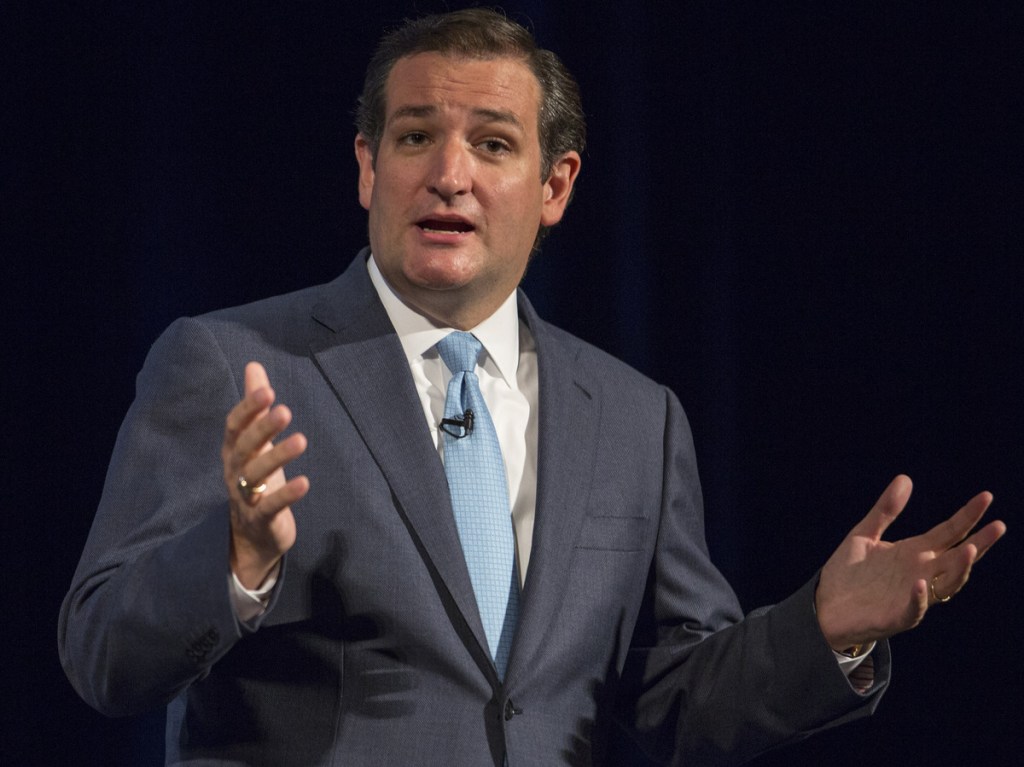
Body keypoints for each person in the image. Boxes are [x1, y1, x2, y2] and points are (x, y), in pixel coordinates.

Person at [59, 8, 1005, 766]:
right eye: (416, 134)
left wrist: (821, 626)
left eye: (494, 144)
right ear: (366, 166)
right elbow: (101, 653)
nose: (449, 173)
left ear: (556, 185)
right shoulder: (233, 363)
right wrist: (234, 557)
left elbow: (673, 700)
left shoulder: (637, 419)